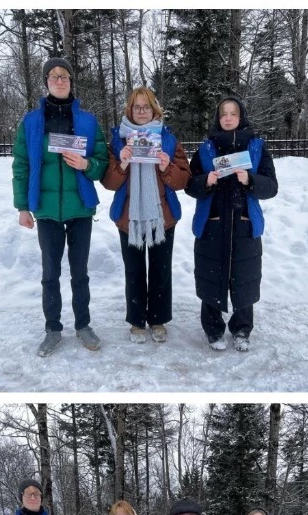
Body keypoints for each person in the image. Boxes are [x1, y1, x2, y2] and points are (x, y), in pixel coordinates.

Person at [12, 57, 109, 357]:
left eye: (64, 75)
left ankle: (83, 325)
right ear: (46, 82)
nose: (59, 80)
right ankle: (53, 329)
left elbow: (103, 161)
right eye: (53, 76)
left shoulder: (88, 121)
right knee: (50, 273)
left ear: (71, 81)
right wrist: (23, 207)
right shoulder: (30, 122)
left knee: (80, 273)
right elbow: (22, 164)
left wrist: (87, 164)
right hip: (46, 210)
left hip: (80, 207)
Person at [185, 96, 278, 352]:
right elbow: (190, 186)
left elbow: (271, 187)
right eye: (223, 113)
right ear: (218, 118)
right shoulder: (205, 149)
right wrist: (206, 180)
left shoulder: (257, 147)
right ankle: (213, 329)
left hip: (245, 225)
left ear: (241, 117)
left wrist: (250, 179)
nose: (228, 117)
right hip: (212, 225)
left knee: (244, 278)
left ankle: (241, 329)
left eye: (233, 113)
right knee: (211, 277)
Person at [102, 88, 190, 344]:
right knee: (135, 270)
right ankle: (137, 321)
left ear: (155, 110)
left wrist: (166, 168)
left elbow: (184, 179)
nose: (142, 111)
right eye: (137, 107)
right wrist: (122, 163)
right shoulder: (118, 141)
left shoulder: (168, 140)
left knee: (161, 271)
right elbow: (108, 181)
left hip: (163, 217)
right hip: (129, 218)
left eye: (147, 107)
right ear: (130, 110)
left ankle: (158, 319)